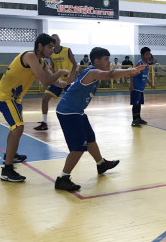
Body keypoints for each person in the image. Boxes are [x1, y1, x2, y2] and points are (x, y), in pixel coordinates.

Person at [54, 47, 145, 191]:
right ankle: (62, 178)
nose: (109, 62)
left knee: (90, 139)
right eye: (106, 59)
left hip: (77, 111)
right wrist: (132, 71)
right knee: (78, 148)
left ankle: (101, 163)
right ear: (97, 61)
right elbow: (112, 74)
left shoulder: (92, 72)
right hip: (68, 113)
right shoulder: (93, 72)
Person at [0, 33, 69, 182]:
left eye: (53, 47)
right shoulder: (29, 56)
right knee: (18, 128)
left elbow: (52, 80)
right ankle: (7, 170)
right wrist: (60, 72)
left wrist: (64, 84)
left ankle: (10, 155)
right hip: (6, 97)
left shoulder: (41, 62)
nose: (52, 50)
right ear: (40, 46)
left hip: (15, 99)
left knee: (15, 128)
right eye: (49, 47)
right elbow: (46, 81)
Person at [34, 34, 77, 131]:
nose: (55, 41)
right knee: (45, 99)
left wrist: (71, 75)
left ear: (60, 40)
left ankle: (75, 121)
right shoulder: (51, 53)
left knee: (71, 101)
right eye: (53, 40)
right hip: (57, 80)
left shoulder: (67, 50)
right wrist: (53, 77)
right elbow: (52, 66)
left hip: (68, 80)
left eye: (56, 39)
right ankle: (44, 123)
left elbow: (75, 64)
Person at [130, 46, 155, 127]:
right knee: (135, 104)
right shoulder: (139, 63)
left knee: (139, 103)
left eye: (149, 54)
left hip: (141, 88)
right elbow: (132, 73)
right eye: (147, 54)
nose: (149, 56)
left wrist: (151, 84)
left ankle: (138, 118)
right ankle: (134, 120)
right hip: (136, 87)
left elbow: (145, 76)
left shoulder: (146, 65)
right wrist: (131, 84)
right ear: (142, 55)